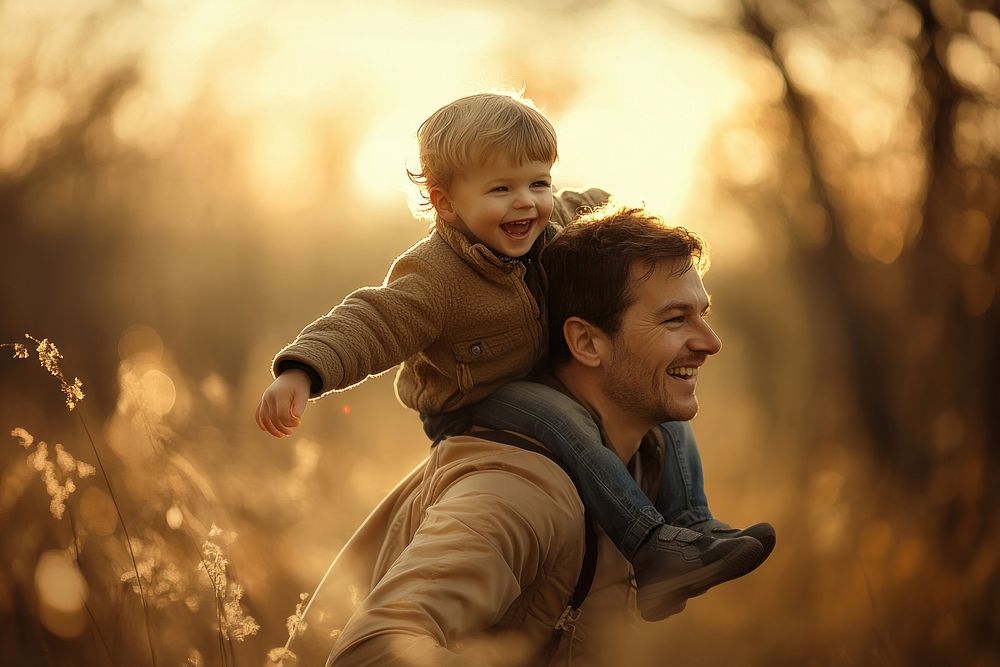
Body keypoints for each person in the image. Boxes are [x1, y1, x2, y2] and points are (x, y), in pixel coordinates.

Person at [254, 92, 772, 621]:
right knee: (562, 416)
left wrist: (620, 212)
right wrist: (303, 370)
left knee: (659, 406)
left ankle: (692, 525)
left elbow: (594, 212)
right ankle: (649, 542)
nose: (526, 202)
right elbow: (371, 321)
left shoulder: (549, 227)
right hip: (472, 402)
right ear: (445, 202)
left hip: (535, 378)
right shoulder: (436, 278)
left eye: (538, 182)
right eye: (501, 189)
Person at [315, 203, 769, 666]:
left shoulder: (640, 465)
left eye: (703, 314)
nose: (710, 341)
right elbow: (369, 653)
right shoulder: (517, 493)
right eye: (675, 319)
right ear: (586, 342)